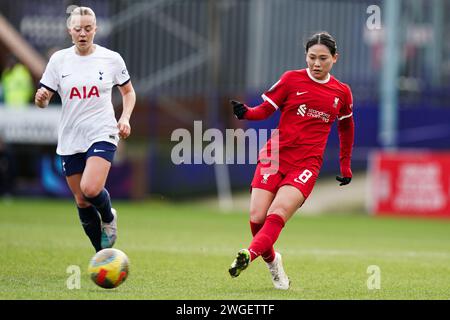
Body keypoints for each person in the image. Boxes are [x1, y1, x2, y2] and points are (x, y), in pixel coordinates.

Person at [228, 32, 354, 290]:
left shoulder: (341, 92)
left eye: (322, 58)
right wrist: (247, 114)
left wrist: (345, 164)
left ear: (335, 58)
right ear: (305, 56)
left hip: (306, 164)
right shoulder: (290, 79)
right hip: (275, 155)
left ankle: (248, 255)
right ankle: (274, 263)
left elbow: (346, 128)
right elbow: (266, 109)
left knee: (278, 213)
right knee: (256, 217)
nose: (316, 64)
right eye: (311, 57)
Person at [34, 7, 136, 252]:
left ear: (95, 30)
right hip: (71, 136)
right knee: (81, 199)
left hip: (102, 131)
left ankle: (109, 217)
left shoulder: (111, 59)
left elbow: (128, 92)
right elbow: (44, 95)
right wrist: (42, 99)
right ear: (70, 31)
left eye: (88, 29)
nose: (83, 34)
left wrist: (125, 118)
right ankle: (102, 256)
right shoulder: (59, 60)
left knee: (90, 189)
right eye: (78, 29)